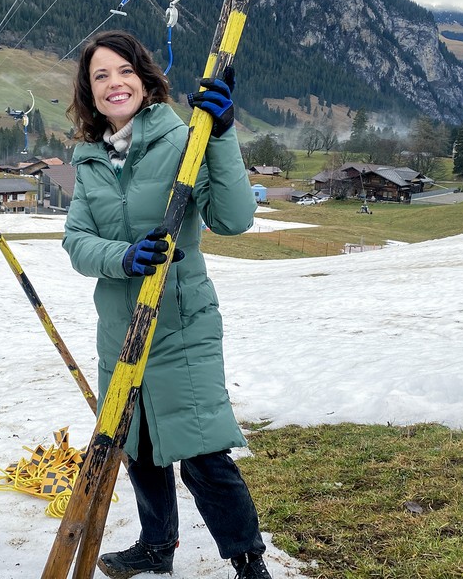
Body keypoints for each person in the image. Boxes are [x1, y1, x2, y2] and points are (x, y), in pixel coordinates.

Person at [61, 30, 273, 579]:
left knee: (202, 451)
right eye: (100, 75)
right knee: (140, 448)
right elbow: (77, 242)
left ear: (145, 78)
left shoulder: (184, 138)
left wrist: (220, 134)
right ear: (88, 90)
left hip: (181, 324)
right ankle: (157, 546)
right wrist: (123, 256)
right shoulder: (89, 159)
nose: (114, 83)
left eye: (124, 71)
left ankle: (248, 561)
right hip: (121, 328)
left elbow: (234, 219)